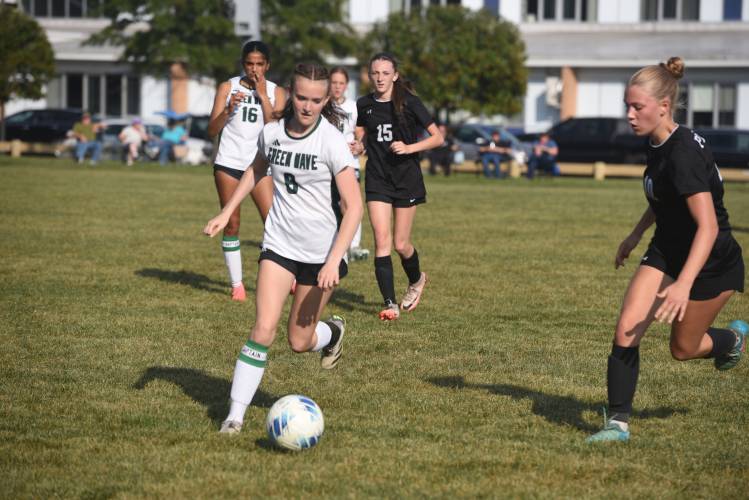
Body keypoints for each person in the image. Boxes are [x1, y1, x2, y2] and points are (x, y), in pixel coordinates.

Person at [587, 57, 746, 443]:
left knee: (683, 348)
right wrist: (635, 235)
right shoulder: (659, 142)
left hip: (711, 260)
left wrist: (683, 285)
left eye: (636, 107)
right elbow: (663, 196)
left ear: (662, 106)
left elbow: (707, 227)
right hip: (667, 250)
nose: (629, 115)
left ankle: (733, 341)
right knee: (627, 328)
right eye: (627, 105)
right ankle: (618, 424)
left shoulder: (683, 154)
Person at [203, 63, 363, 434]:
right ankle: (235, 416)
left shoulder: (331, 142)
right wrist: (226, 211)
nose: (308, 107)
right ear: (291, 95)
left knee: (299, 340)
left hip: (322, 256)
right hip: (279, 245)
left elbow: (353, 207)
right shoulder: (272, 132)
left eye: (317, 100)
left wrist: (335, 259)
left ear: (327, 100)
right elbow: (256, 169)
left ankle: (332, 334)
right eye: (302, 98)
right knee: (262, 329)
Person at [353, 52, 443, 321]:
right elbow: (364, 136)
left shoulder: (410, 103)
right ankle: (390, 304)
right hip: (378, 178)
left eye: (385, 73)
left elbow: (438, 138)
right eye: (375, 73)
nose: (379, 78)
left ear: (395, 75)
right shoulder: (364, 104)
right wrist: (360, 146)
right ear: (370, 76)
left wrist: (409, 147)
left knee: (401, 244)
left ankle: (417, 280)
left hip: (406, 180)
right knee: (382, 240)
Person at [207, 40, 287, 301]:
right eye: (249, 64)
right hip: (229, 163)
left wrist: (262, 95)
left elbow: (274, 130)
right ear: (243, 64)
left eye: (259, 64)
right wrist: (228, 110)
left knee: (273, 222)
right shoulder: (227, 87)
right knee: (232, 223)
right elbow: (211, 130)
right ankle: (237, 284)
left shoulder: (277, 92)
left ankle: (285, 277)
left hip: (260, 165)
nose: (254, 69)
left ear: (267, 65)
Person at [330, 66, 369, 261]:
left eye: (341, 83)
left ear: (346, 85)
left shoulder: (353, 107)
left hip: (348, 163)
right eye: (334, 82)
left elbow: (360, 132)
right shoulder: (322, 105)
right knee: (327, 204)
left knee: (350, 203)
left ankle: (354, 246)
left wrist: (360, 146)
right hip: (326, 163)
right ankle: (332, 243)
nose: (337, 87)